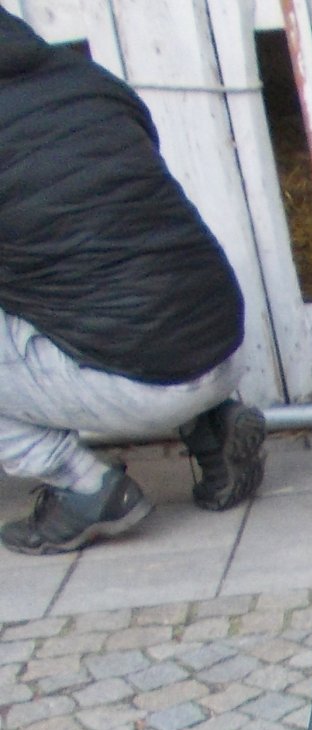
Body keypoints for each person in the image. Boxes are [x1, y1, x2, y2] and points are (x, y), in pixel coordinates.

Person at [0, 12, 265, 558]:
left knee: (90, 290)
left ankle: (85, 488)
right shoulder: (85, 82)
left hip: (142, 374)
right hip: (220, 337)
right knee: (105, 276)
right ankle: (211, 424)